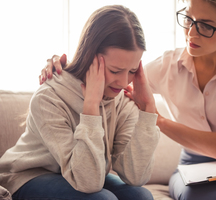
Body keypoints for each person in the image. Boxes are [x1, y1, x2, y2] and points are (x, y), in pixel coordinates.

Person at [41, 0, 216, 199]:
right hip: (194, 164)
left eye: (206, 26)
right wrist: (66, 67)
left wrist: (156, 120)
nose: (192, 32)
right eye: (189, 19)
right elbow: (111, 74)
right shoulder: (167, 66)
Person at [0, 5, 160, 200]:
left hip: (84, 175)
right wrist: (91, 107)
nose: (124, 81)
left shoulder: (121, 99)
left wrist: (147, 111)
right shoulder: (49, 97)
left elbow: (136, 177)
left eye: (133, 71)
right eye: (116, 70)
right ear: (90, 57)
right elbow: (88, 183)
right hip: (29, 176)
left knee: (141, 196)